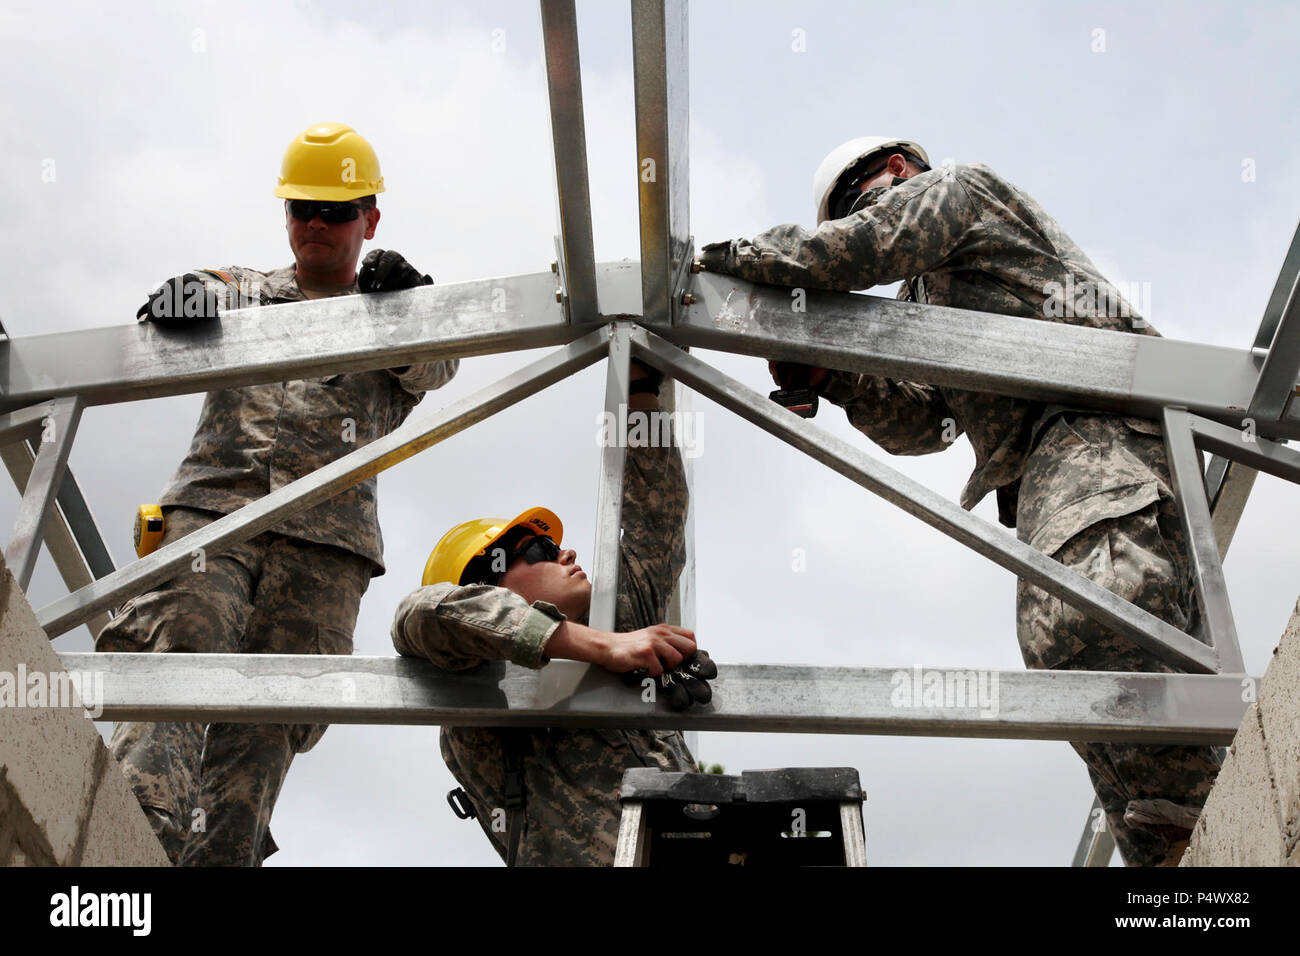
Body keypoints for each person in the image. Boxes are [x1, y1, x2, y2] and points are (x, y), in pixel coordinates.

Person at [698, 136, 1221, 866]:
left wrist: (713, 261)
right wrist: (834, 375)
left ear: (898, 171)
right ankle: (1174, 837)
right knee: (1067, 661)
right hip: (1046, 467)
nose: (856, 216)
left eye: (856, 201)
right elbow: (923, 423)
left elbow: (859, 248)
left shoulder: (963, 193)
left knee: (1097, 610)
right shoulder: (924, 300)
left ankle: (1201, 800)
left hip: (1097, 424)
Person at [97, 121, 458, 866]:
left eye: (336, 211)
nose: (316, 224)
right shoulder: (248, 292)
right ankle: (119, 854)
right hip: (215, 526)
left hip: (321, 562)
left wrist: (412, 306)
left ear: (370, 219)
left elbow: (440, 364)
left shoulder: (395, 317)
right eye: (302, 209)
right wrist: (179, 299)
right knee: (180, 653)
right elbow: (192, 296)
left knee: (263, 728)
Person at [391, 361, 715, 865]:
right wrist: (606, 648)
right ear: (487, 580)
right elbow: (426, 613)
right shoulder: (477, 684)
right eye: (540, 550)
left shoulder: (618, 619)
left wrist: (641, 390)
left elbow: (658, 517)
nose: (565, 553)